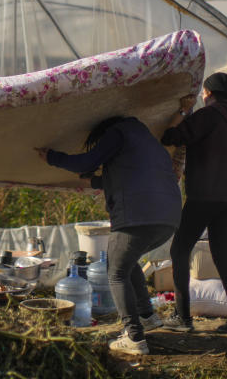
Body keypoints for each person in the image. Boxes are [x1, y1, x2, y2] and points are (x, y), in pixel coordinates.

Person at [36, 116, 181, 356]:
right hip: (168, 217)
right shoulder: (148, 143)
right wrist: (93, 180)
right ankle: (147, 316)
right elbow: (131, 178)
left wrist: (52, 157)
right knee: (127, 259)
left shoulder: (118, 133)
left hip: (139, 215)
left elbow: (87, 161)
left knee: (115, 271)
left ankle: (134, 336)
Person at [159, 72, 227, 337]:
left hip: (204, 196)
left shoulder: (209, 115)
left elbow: (172, 136)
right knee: (221, 257)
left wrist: (183, 112)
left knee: (179, 250)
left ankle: (183, 316)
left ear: (207, 93)